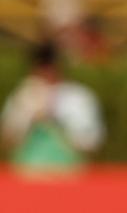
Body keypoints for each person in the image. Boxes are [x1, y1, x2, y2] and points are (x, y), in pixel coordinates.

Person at [1, 39, 105, 173]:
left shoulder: (78, 97)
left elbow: (91, 142)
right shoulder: (23, 95)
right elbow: (7, 138)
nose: (47, 72)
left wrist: (56, 119)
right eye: (42, 66)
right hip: (27, 173)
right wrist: (31, 119)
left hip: (69, 174)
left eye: (50, 67)